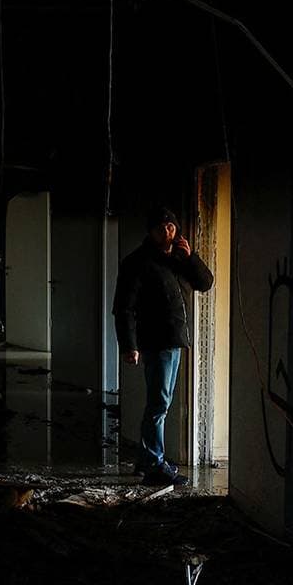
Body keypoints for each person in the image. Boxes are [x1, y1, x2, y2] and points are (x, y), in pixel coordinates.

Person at [114, 207, 214, 486]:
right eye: (161, 228)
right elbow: (124, 308)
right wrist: (129, 345)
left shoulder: (178, 259)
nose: (167, 233)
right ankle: (153, 463)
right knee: (159, 403)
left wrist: (190, 257)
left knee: (161, 401)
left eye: (170, 227)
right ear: (150, 231)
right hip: (155, 340)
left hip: (174, 339)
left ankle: (147, 460)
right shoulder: (137, 262)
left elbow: (205, 283)